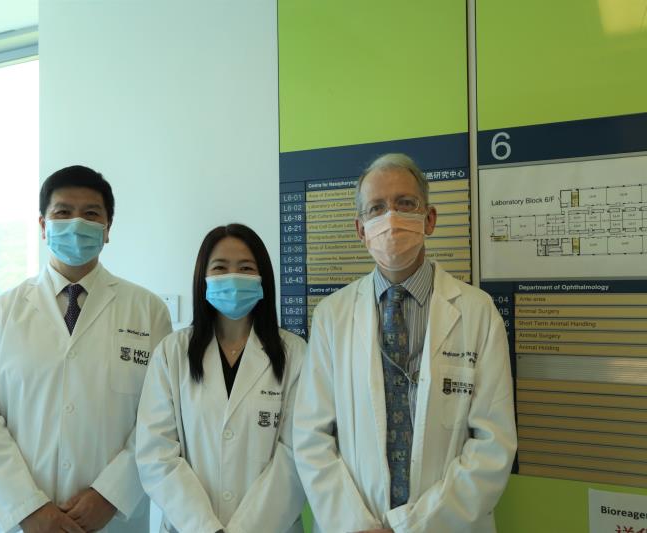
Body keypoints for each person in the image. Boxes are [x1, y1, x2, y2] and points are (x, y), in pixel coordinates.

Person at [293, 153, 517, 533]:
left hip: (448, 524)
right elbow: (311, 437)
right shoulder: (332, 316)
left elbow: (493, 444)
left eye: (405, 204)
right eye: (376, 209)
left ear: (429, 219)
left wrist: (417, 524)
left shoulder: (478, 312)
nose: (391, 219)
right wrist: (355, 523)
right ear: (360, 229)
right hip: (354, 523)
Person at [0, 165, 172, 533]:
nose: (76, 223)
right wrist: (30, 508)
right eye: (63, 213)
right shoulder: (0, 314)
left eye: (91, 214)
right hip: (18, 521)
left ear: (107, 230)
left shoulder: (148, 311)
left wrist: (109, 496)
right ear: (43, 226)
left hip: (111, 520)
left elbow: (160, 421)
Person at [135, 223, 307, 533]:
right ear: (203, 278)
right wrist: (205, 528)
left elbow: (295, 455)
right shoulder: (172, 353)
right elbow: (156, 452)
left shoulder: (295, 354)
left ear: (263, 278)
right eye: (220, 267)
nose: (233, 277)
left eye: (245, 267)